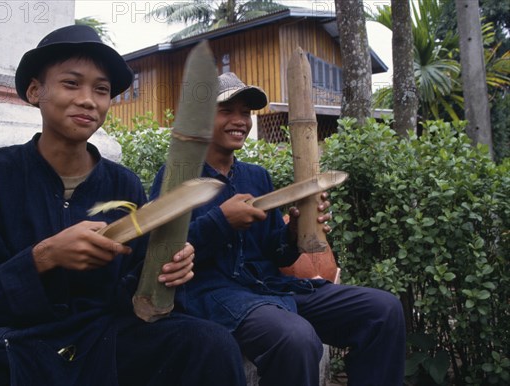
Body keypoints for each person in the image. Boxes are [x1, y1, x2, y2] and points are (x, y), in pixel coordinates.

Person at [0, 26, 246, 386]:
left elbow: (135, 290)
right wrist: (43, 257)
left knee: (210, 343)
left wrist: (167, 272)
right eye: (72, 83)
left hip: (104, 337)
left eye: (100, 90)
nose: (88, 100)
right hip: (17, 342)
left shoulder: (123, 184)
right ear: (36, 90)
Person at [150, 72, 406, 386]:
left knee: (383, 310)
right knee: (295, 338)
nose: (240, 120)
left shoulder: (257, 177)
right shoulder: (175, 176)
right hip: (212, 296)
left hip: (270, 289)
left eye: (245, 113)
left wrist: (296, 228)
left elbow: (278, 254)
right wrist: (222, 222)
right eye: (227, 111)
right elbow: (161, 256)